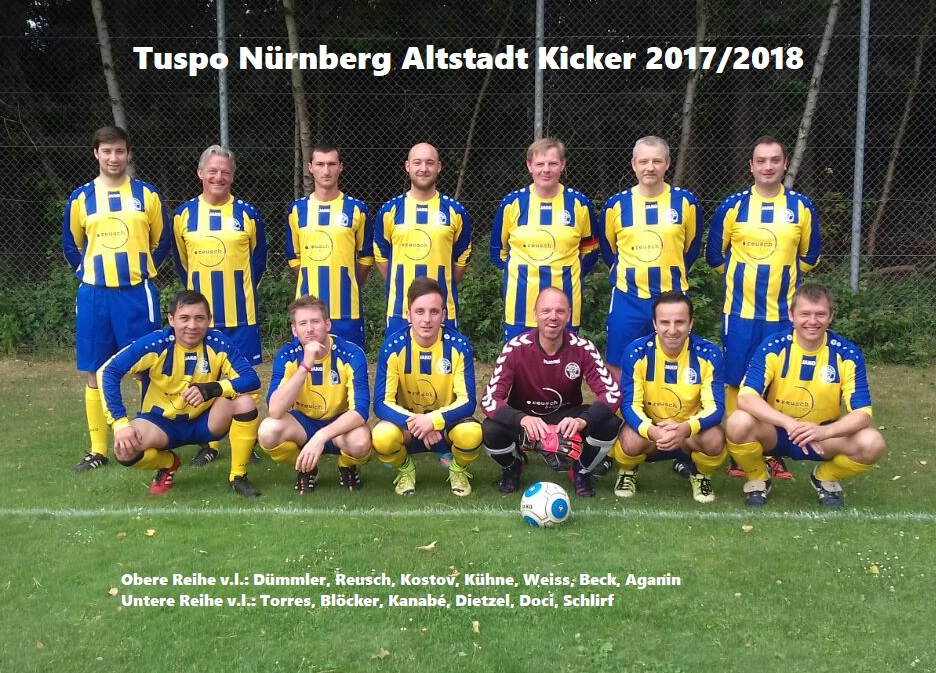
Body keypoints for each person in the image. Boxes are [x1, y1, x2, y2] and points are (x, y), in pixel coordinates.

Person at [706, 136, 821, 480]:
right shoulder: (733, 206)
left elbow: (810, 256)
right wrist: (743, 280)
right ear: (751, 166)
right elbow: (714, 256)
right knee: (736, 379)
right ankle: (738, 450)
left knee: (777, 381)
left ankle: (772, 450)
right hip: (740, 312)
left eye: (774, 160)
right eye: (761, 160)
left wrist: (779, 278)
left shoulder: (800, 206)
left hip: (783, 314)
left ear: (784, 164)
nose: (768, 167)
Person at [63, 125, 171, 474]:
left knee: (146, 368)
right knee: (95, 369)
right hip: (95, 296)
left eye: (120, 151)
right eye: (107, 151)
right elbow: (71, 246)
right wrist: (89, 273)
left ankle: (148, 437)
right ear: (96, 153)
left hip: (136, 295)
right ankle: (98, 449)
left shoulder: (146, 195)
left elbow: (162, 242)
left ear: (128, 154)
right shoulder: (81, 198)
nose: (113, 158)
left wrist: (142, 270)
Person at [598, 135, 704, 480]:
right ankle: (618, 446)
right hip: (628, 300)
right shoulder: (616, 205)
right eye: (643, 161)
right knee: (618, 371)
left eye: (657, 161)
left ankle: (679, 449)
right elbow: (609, 251)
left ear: (667, 164)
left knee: (678, 370)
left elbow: (691, 249)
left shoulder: (685, 202)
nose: (650, 167)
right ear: (633, 165)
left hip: (672, 302)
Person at [726, 283, 886, 507]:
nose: (812, 321)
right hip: (777, 431)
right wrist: (789, 423)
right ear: (791, 315)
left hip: (821, 436)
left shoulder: (847, 353)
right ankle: (758, 479)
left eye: (820, 314)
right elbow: (746, 397)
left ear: (831, 316)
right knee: (737, 422)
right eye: (805, 314)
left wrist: (824, 431)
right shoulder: (774, 346)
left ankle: (825, 478)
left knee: (872, 442)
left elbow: (862, 414)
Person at [98, 291, 263, 497]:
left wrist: (212, 389)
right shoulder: (155, 344)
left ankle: (238, 477)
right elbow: (108, 371)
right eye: (184, 318)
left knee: (245, 403)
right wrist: (120, 424)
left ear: (209, 320)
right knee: (124, 450)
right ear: (171, 319)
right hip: (160, 423)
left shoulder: (218, 343)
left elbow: (251, 379)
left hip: (205, 420)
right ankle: (169, 463)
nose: (192, 325)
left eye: (199, 318)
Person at [172, 145, 267, 467]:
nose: (218, 177)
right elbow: (181, 263)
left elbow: (258, 260)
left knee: (246, 380)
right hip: (200, 320)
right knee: (203, 378)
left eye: (225, 171)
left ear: (233, 176)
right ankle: (209, 443)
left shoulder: (247, 214)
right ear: (200, 173)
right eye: (212, 170)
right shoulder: (184, 215)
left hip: (241, 313)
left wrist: (241, 290)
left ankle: (246, 442)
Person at [481, 287, 622, 497]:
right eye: (546, 311)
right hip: (527, 420)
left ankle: (581, 470)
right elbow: (490, 399)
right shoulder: (515, 348)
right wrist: (521, 419)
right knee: (491, 428)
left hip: (566, 420)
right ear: (535, 314)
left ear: (569, 315)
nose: (553, 317)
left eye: (560, 311)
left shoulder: (582, 348)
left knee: (610, 423)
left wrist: (582, 421)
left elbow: (612, 393)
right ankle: (513, 467)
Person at [610, 291, 726, 503]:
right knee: (629, 439)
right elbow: (630, 405)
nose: (672, 330)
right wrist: (652, 430)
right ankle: (628, 470)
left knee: (715, 438)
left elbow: (716, 408)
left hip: (688, 433)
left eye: (679, 322)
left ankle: (701, 474)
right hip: (651, 431)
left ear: (690, 324)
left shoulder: (709, 354)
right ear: (654, 324)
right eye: (665, 322)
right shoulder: (636, 352)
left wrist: (686, 428)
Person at [372, 277, 481, 496]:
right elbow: (381, 403)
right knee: (382, 437)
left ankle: (457, 469)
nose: (427, 319)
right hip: (408, 428)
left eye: (434, 311)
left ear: (444, 315)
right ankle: (405, 469)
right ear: (408, 314)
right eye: (420, 311)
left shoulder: (458, 346)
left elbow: (468, 402)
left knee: (472, 433)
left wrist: (433, 421)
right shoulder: (393, 347)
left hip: (446, 427)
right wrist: (418, 423)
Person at [258, 295, 371, 493]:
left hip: (340, 425)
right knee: (267, 431)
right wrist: (306, 364)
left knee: (360, 442)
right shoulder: (287, 355)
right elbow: (274, 410)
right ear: (295, 330)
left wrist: (321, 436)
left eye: (315, 322)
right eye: (303, 323)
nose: (309, 328)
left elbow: (360, 412)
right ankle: (306, 467)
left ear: (327, 324)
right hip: (303, 423)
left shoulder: (351, 354)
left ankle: (346, 465)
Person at [490, 137, 598, 341]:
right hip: (520, 306)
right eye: (540, 164)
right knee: (519, 360)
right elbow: (498, 251)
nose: (546, 170)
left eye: (552, 163)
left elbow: (591, 250)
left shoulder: (579, 203)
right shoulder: (512, 203)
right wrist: (520, 274)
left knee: (564, 359)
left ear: (563, 165)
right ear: (529, 166)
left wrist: (570, 274)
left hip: (565, 303)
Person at [374, 143, 472, 335]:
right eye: (417, 162)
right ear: (407, 166)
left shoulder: (455, 211)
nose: (423, 168)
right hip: (400, 311)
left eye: (430, 162)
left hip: (442, 311)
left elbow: (462, 259)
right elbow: (381, 256)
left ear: (439, 167)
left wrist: (443, 283)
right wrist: (399, 282)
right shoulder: (390, 210)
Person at [286, 143, 373, 349]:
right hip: (308, 309)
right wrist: (309, 279)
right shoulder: (297, 210)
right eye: (320, 164)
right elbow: (293, 257)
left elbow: (367, 256)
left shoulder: (356, 209)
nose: (326, 171)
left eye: (332, 164)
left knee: (349, 362)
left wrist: (349, 281)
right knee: (309, 362)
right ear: (310, 167)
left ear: (340, 167)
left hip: (346, 307)